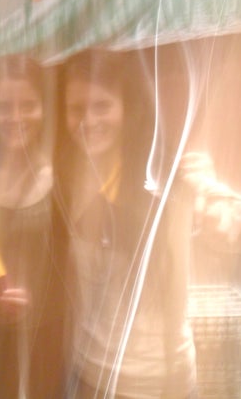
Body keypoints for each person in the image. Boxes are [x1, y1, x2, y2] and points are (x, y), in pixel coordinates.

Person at [55, 50, 197, 399]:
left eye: (102, 106)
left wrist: (178, 382)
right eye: (77, 109)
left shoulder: (162, 187)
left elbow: (176, 298)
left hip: (150, 380)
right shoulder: (65, 181)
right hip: (87, 372)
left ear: (126, 108)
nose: (88, 120)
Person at [0, 53, 65, 399]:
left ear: (44, 108)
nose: (17, 117)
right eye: (4, 107)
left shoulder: (61, 177)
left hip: (49, 335)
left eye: (28, 105)